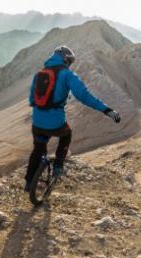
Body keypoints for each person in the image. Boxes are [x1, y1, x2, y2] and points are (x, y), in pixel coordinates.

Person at [24, 45, 121, 192]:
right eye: (70, 61)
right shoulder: (68, 75)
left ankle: (29, 182)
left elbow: (32, 99)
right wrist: (106, 110)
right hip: (56, 122)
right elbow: (84, 96)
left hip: (37, 122)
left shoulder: (40, 74)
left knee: (38, 148)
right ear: (66, 60)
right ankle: (58, 167)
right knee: (66, 134)